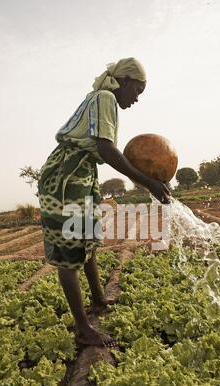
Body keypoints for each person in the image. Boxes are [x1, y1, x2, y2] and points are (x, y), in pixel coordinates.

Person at [38, 57, 171, 348]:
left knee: (87, 239)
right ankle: (83, 328)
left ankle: (97, 300)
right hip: (67, 176)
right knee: (70, 249)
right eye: (136, 90)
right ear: (123, 82)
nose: (136, 98)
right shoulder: (104, 98)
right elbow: (107, 149)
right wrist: (146, 181)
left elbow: (103, 150)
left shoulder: (103, 99)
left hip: (80, 171)